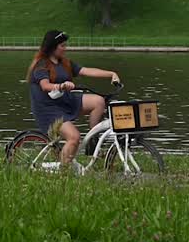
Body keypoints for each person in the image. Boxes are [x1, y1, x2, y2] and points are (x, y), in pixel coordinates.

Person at [26, 30, 121, 167]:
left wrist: (111, 74)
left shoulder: (64, 63)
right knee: (74, 137)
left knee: (99, 101)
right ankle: (63, 172)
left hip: (66, 101)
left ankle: (92, 141)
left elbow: (86, 70)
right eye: (62, 46)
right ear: (53, 47)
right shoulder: (41, 65)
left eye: (66, 45)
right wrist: (61, 85)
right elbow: (45, 86)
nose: (66, 49)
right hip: (48, 109)